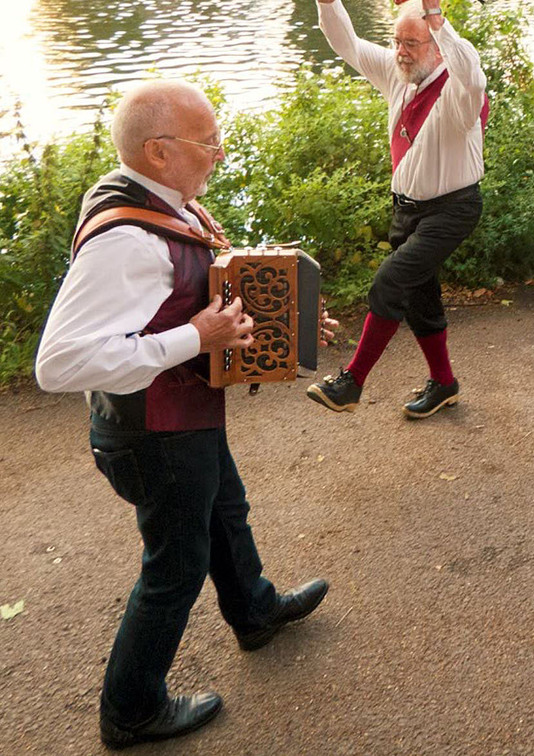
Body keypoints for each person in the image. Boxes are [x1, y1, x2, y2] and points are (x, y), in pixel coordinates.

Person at [35, 80, 330, 749]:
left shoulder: (152, 199)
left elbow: (187, 290)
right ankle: (131, 711)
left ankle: (254, 612)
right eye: (209, 141)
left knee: (226, 509)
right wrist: (196, 339)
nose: (221, 153)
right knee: (174, 567)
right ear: (159, 151)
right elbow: (58, 364)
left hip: (184, 418)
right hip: (153, 436)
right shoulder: (129, 241)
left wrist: (287, 319)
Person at [305, 0, 488, 419]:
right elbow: (348, 45)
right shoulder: (398, 75)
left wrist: (438, 17)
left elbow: (473, 73)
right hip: (407, 210)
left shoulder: (460, 95)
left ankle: (351, 382)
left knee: (390, 280)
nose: (401, 51)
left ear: (438, 46)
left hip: (452, 209)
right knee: (421, 299)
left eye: (413, 43)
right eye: (397, 41)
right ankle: (444, 383)